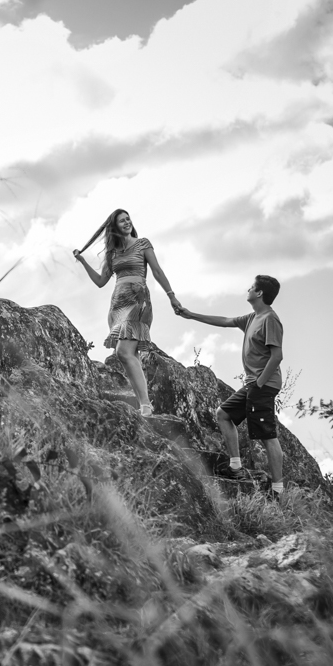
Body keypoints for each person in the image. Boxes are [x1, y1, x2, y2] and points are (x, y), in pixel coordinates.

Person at [176, 275, 286, 500]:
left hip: (263, 385)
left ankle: (278, 491)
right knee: (223, 414)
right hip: (254, 385)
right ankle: (235, 467)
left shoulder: (270, 319)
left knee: (267, 435)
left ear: (259, 293)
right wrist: (191, 315)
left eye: (251, 287)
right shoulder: (252, 317)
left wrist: (260, 382)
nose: (248, 289)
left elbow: (277, 356)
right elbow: (225, 320)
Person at [72, 209, 183, 417]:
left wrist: (171, 296)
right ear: (114, 227)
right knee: (128, 355)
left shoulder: (142, 244)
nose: (127, 222)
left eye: (128, 219)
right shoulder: (112, 253)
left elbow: (157, 271)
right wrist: (84, 261)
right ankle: (144, 405)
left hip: (138, 300)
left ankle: (146, 405)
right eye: (122, 221)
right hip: (117, 304)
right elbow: (101, 282)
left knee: (123, 352)